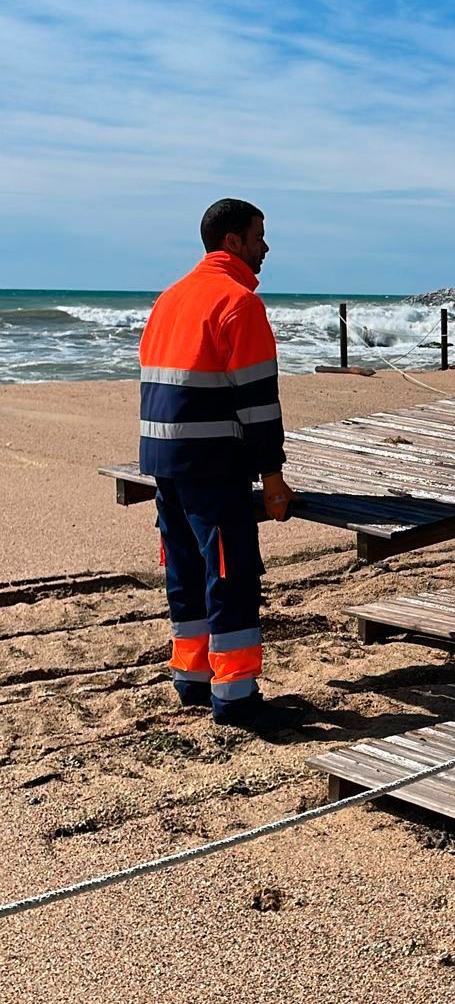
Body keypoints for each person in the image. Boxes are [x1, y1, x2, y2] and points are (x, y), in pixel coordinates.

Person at [139, 199, 301, 730]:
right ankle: (234, 695)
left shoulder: (170, 299)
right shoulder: (238, 303)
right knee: (230, 575)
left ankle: (191, 676)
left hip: (165, 461)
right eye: (259, 236)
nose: (266, 247)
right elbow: (258, 403)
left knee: (185, 569)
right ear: (232, 242)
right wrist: (273, 477)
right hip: (214, 466)